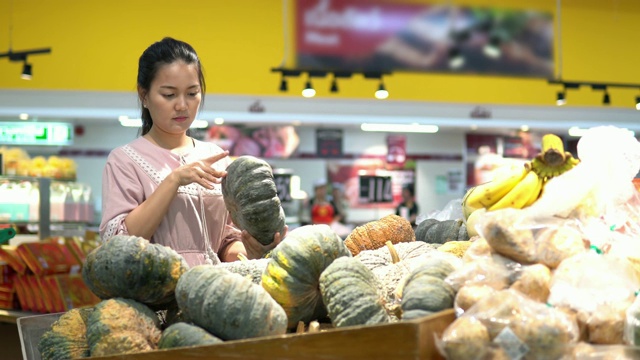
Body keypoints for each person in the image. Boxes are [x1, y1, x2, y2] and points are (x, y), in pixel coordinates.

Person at [99, 37, 285, 267]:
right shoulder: (124, 160)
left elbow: (226, 239)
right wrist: (174, 180)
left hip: (214, 291)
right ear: (144, 95)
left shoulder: (216, 157)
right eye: (169, 95)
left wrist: (250, 253)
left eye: (192, 93)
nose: (182, 105)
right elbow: (117, 245)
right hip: (158, 294)